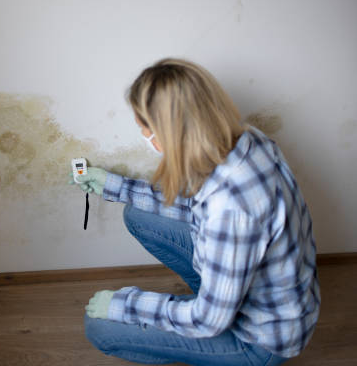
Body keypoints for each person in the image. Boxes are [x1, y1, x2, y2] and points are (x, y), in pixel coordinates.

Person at [70, 58, 320, 366]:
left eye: (144, 129)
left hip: (258, 341)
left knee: (101, 328)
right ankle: (210, 299)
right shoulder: (247, 139)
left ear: (168, 134)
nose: (145, 137)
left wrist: (125, 304)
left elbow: (208, 322)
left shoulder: (230, 212)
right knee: (139, 215)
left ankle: (213, 337)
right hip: (267, 298)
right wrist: (116, 187)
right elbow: (195, 205)